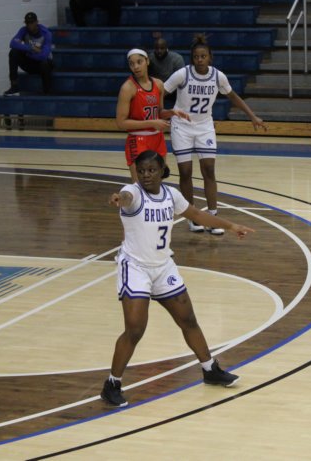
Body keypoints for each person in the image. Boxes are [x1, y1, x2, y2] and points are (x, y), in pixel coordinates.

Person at [101, 150, 254, 407]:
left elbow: (197, 215)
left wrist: (230, 226)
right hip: (136, 267)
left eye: (151, 170)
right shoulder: (132, 192)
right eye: (141, 171)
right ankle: (111, 384)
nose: (146, 175)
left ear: (162, 171)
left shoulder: (172, 195)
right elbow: (126, 198)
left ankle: (209, 369)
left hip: (163, 267)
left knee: (188, 319)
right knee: (135, 329)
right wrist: (119, 198)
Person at [164, 34, 266, 234]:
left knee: (209, 169)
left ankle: (213, 216)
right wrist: (161, 111)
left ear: (210, 57)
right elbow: (161, 90)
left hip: (204, 126)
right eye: (196, 57)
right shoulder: (182, 74)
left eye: (203, 56)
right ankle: (193, 216)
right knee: (185, 171)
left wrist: (252, 116)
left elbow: (233, 96)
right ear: (192, 58)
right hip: (181, 127)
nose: (199, 60)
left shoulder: (218, 76)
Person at [115, 48, 188, 182]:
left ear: (147, 61)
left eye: (139, 62)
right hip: (137, 139)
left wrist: (171, 112)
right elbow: (121, 123)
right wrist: (152, 123)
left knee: (156, 185)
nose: (136, 66)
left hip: (157, 139)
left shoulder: (158, 84)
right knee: (140, 186)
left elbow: (158, 112)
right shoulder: (127, 88)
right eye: (132, 64)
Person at [3, 12, 54, 97]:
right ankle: (14, 86)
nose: (29, 25)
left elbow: (44, 55)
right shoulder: (23, 30)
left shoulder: (46, 33)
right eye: (27, 23)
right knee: (13, 52)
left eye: (32, 22)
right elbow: (12, 44)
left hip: (44, 64)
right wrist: (31, 48)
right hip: (31, 62)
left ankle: (46, 92)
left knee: (44, 63)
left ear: (37, 22)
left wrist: (28, 53)